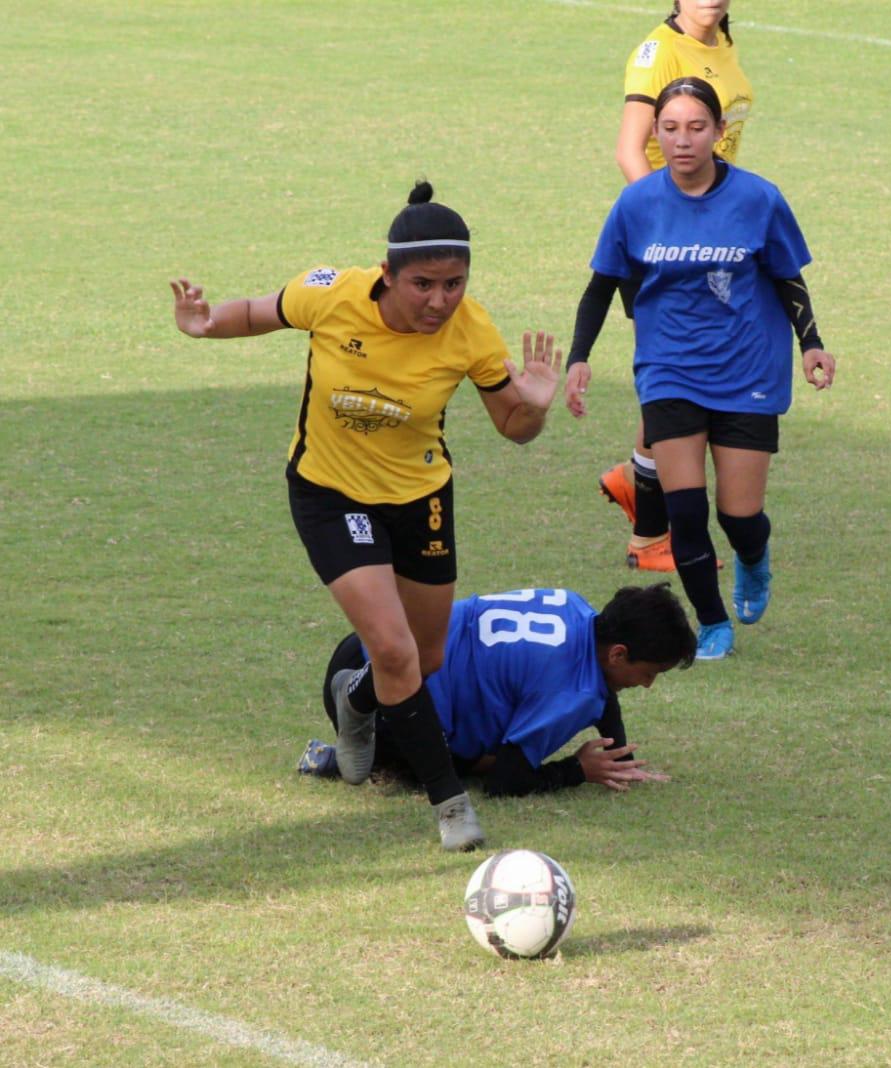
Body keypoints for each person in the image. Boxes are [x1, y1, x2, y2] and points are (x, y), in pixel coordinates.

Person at [169, 180, 562, 851]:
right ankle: (451, 807)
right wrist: (206, 322)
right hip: (331, 493)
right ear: (388, 274)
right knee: (392, 647)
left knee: (427, 656)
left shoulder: (472, 330)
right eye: (423, 284)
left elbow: (513, 428)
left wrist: (536, 404)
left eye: (454, 283)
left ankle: (357, 702)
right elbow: (264, 310)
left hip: (420, 498)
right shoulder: (333, 291)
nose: (440, 300)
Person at [564, 77, 836, 661]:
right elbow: (601, 286)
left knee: (739, 517)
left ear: (718, 132)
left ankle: (753, 560)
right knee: (685, 512)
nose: (682, 140)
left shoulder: (759, 199)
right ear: (656, 135)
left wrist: (811, 343)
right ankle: (712, 623)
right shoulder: (636, 204)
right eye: (669, 129)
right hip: (668, 372)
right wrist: (578, 359)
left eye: (695, 128)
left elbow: (788, 275)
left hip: (749, 372)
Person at [597, 0, 755, 573]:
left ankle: (636, 477)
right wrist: (671, 221)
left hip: (713, 231)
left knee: (679, 372)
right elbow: (628, 150)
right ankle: (647, 536)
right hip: (664, 243)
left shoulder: (721, 44)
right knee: (672, 375)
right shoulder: (657, 53)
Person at [298, 584, 697, 798]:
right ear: (619, 653)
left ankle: (355, 746)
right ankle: (354, 759)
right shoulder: (573, 691)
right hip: (381, 703)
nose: (647, 685)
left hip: (365, 647)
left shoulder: (576, 607)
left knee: (489, 738)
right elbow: (506, 782)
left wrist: (618, 754)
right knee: (470, 766)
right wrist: (577, 770)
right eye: (649, 673)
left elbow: (601, 688)